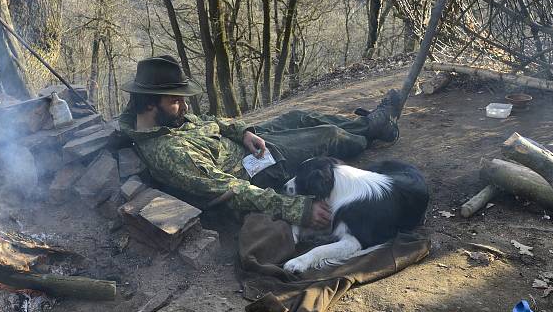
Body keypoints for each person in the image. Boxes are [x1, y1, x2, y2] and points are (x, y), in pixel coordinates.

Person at [118, 55, 402, 229]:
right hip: (258, 168)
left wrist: (243, 132)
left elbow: (212, 122)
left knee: (298, 116)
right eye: (174, 100)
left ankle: (369, 125)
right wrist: (299, 211)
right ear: (149, 105)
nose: (184, 106)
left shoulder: (169, 119)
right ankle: (373, 131)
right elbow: (233, 191)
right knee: (327, 136)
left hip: (248, 145)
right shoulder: (171, 153)